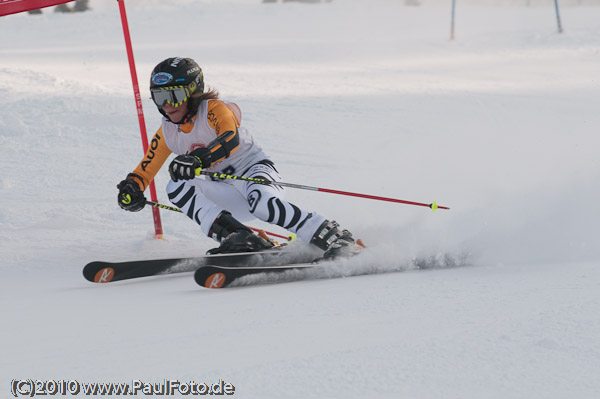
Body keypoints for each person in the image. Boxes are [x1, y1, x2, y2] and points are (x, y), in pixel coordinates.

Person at [117, 57, 359, 258]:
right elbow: (147, 167)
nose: (168, 106)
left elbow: (229, 138)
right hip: (226, 192)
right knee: (176, 185)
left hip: (254, 172)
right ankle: (237, 236)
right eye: (160, 98)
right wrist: (132, 187)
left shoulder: (213, 110)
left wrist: (199, 159)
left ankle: (332, 236)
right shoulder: (168, 131)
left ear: (194, 92)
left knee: (263, 205)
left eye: (175, 96)